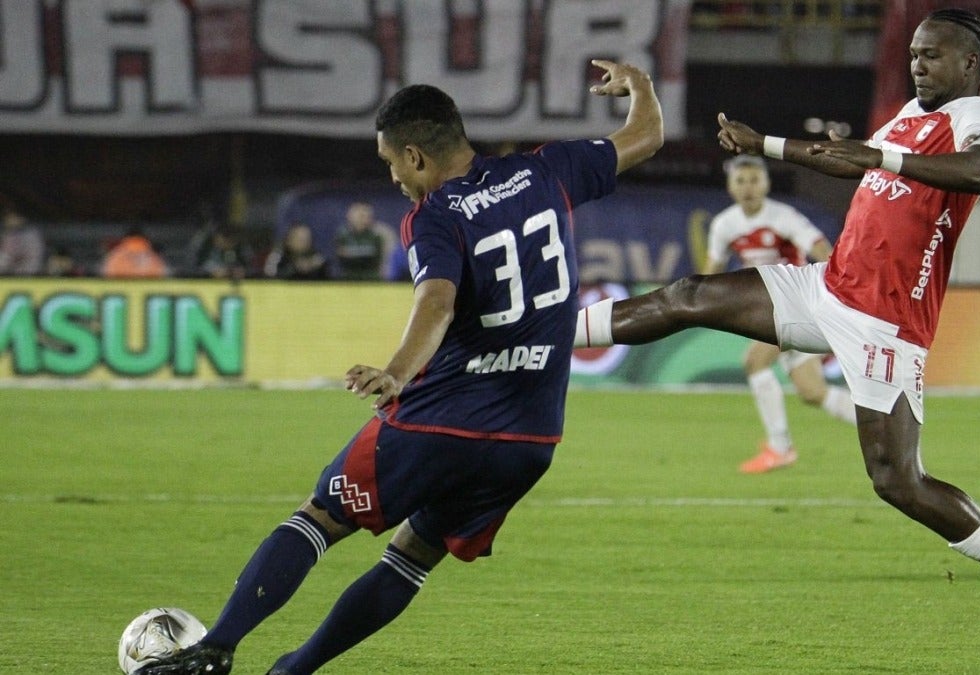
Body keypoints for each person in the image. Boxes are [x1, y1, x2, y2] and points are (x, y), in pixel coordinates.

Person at [575, 8, 980, 666]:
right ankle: (544, 337)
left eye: (933, 55)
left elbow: (978, 172)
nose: (919, 64)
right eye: (915, 54)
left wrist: (879, 153)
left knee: (897, 479)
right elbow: (849, 159)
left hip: (885, 321)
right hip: (829, 287)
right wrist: (766, 145)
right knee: (689, 295)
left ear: (969, 64)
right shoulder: (905, 116)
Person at [136, 58, 662, 675]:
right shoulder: (547, 169)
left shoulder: (435, 216)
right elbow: (646, 136)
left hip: (440, 421)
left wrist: (398, 371)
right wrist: (641, 87)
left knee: (317, 519)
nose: (392, 178)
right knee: (409, 560)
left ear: (415, 156)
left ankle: (214, 649)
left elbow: (436, 299)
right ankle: (292, 671)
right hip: (531, 438)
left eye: (390, 163)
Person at [705, 153, 856, 474]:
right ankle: (882, 422)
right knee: (813, 392)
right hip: (769, 307)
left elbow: (819, 248)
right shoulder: (724, 224)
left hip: (798, 303)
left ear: (767, 184)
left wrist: (837, 285)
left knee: (754, 361)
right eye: (740, 180)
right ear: (730, 186)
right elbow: (710, 273)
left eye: (754, 180)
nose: (748, 187)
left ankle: (780, 447)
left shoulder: (784, 217)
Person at [334, 201, 387, 280]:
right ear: (349, 216)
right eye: (360, 216)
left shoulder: (376, 236)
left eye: (366, 216)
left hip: (371, 279)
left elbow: (376, 260)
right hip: (347, 279)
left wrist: (351, 254)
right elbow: (341, 258)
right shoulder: (342, 235)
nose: (363, 219)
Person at [263, 223, 330, 280]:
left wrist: (316, 267)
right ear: (289, 241)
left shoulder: (314, 256)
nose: (305, 243)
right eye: (300, 239)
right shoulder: (278, 255)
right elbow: (269, 275)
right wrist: (295, 268)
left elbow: (327, 279)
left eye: (307, 239)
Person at [101, 226, 169, 278]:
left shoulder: (115, 255)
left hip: (122, 293)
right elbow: (164, 274)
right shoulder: (154, 256)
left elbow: (106, 274)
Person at [0, 203, 45, 276]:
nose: (8, 220)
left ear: (21, 218)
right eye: (7, 218)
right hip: (8, 271)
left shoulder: (32, 234)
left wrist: (17, 259)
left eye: (12, 217)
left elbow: (34, 255)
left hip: (28, 271)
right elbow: (5, 255)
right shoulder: (7, 234)